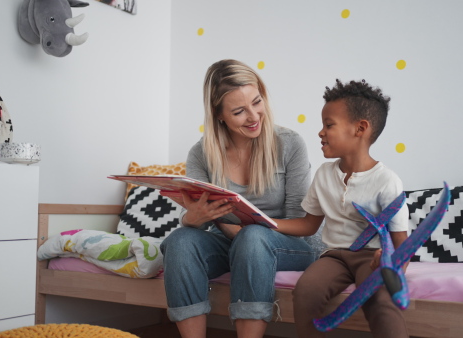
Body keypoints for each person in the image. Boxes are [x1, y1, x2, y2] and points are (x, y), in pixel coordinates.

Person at [160, 59, 316, 338]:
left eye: (257, 102)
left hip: (293, 245)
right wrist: (192, 219)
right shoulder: (202, 153)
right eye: (239, 111)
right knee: (179, 241)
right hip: (235, 241)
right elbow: (205, 222)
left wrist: (247, 231)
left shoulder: (290, 143)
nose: (254, 116)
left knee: (253, 237)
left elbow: (300, 220)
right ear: (219, 115)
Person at [273, 79, 410, 338]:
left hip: (370, 257)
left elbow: (402, 241)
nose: (320, 132)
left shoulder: (386, 181)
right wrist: (265, 221)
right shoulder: (324, 174)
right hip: (334, 256)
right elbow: (308, 224)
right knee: (306, 291)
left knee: (379, 298)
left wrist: (393, 270)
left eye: (328, 125)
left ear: (360, 129)